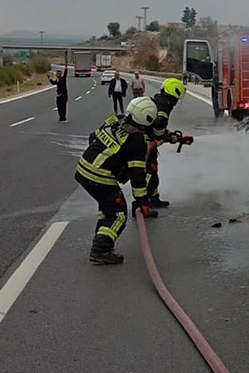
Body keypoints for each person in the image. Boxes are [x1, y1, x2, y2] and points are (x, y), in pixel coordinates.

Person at [74, 97, 158, 265]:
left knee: (107, 209)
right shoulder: (137, 141)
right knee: (119, 214)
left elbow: (93, 137)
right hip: (100, 176)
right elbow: (137, 175)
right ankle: (100, 250)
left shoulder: (114, 120)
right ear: (147, 120)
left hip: (83, 169)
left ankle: (102, 239)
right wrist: (142, 202)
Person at [145, 77, 187, 209]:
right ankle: (143, 201)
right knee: (150, 172)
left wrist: (170, 135)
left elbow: (158, 126)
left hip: (147, 141)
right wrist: (166, 138)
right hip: (146, 143)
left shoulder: (159, 100)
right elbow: (159, 126)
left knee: (153, 171)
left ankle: (154, 198)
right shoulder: (165, 106)